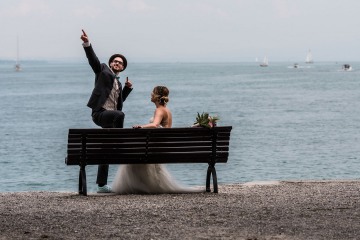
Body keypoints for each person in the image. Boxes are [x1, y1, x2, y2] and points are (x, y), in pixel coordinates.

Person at [112, 86, 202, 194]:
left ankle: (138, 186)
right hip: (162, 147)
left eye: (152, 93)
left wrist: (141, 126)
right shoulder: (167, 111)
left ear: (156, 96)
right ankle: (145, 185)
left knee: (132, 155)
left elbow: (155, 125)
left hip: (156, 149)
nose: (150, 94)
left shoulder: (159, 110)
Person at [80, 29, 133, 193]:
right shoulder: (102, 70)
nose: (117, 63)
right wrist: (87, 44)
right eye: (115, 61)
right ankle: (121, 141)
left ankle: (102, 185)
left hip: (110, 118)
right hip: (100, 114)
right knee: (121, 115)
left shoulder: (118, 83)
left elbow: (118, 103)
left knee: (106, 150)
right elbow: (93, 61)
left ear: (123, 68)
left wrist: (127, 90)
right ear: (110, 63)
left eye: (120, 63)